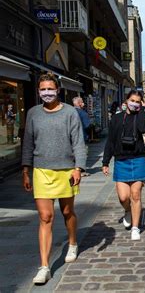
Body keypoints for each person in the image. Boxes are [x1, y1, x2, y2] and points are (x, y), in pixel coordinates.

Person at [22, 73, 87, 284]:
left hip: (66, 170)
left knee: (67, 211)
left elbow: (78, 141)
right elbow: (28, 143)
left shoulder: (70, 112)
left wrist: (78, 167)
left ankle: (73, 242)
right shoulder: (33, 113)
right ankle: (44, 267)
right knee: (45, 217)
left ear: (58, 90)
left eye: (50, 89)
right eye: (43, 89)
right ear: (38, 91)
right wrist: (25, 169)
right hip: (41, 170)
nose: (47, 93)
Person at [102, 90, 145, 241]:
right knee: (124, 197)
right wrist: (105, 162)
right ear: (126, 101)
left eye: (138, 101)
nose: (134, 103)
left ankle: (135, 227)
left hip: (137, 159)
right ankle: (128, 210)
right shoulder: (116, 119)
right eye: (132, 100)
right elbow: (110, 141)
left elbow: (144, 129)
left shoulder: (141, 116)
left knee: (135, 195)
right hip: (121, 160)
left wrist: (142, 109)